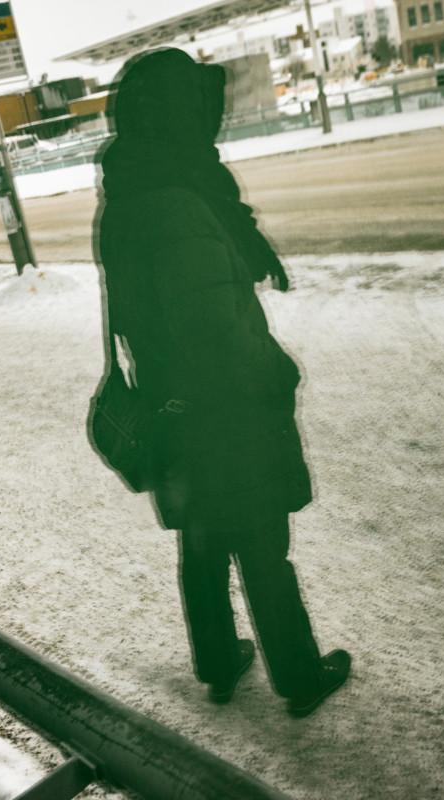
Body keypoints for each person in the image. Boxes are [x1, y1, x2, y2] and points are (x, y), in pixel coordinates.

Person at [94, 48, 350, 718]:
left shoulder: (130, 190)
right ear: (178, 114)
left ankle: (216, 660)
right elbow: (210, 323)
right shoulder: (175, 203)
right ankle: (297, 675)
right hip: (221, 401)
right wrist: (275, 371)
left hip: (170, 396)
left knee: (204, 536)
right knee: (260, 534)